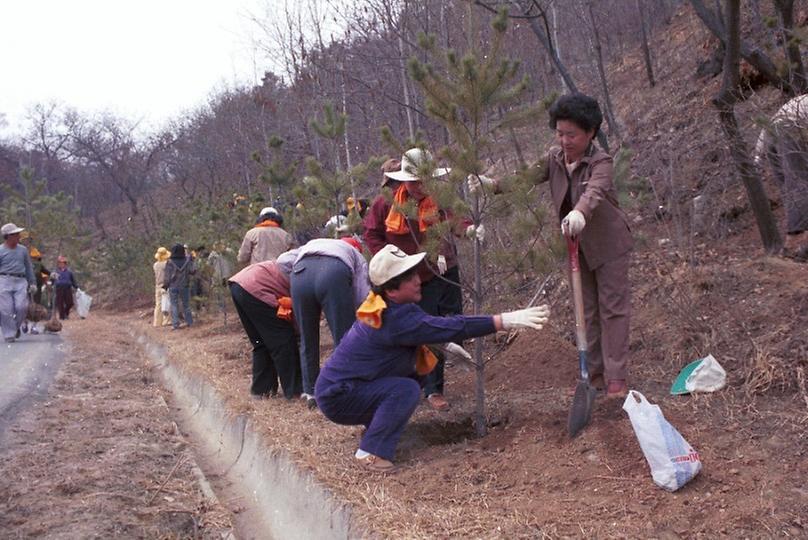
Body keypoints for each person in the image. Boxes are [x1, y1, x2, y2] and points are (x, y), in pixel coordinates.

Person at [314, 244, 550, 471]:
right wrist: (503, 321)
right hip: (338, 397)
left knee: (415, 375)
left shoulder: (387, 306)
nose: (418, 280)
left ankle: (376, 429)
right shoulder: (394, 318)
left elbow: (421, 330)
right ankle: (370, 453)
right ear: (392, 289)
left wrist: (444, 345)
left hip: (344, 388)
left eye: (416, 274)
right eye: (410, 278)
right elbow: (451, 325)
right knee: (404, 390)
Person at [470, 93, 633, 398]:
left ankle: (616, 378)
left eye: (571, 134)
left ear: (590, 132)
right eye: (560, 133)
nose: (564, 140)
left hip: (609, 245)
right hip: (577, 246)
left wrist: (579, 213)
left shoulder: (602, 162)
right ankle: (593, 376)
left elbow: (594, 192)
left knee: (612, 310)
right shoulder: (554, 158)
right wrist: (491, 185)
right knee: (586, 313)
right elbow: (525, 178)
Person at [363, 150, 468, 411]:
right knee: (425, 328)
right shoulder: (387, 203)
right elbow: (372, 234)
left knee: (449, 320)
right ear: (403, 181)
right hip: (412, 276)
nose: (420, 187)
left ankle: (446, 371)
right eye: (413, 182)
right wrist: (390, 259)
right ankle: (426, 387)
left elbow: (453, 220)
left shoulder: (439, 198)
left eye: (424, 181)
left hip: (444, 268)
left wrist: (468, 230)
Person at [279, 237, 370, 409]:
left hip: (300, 274)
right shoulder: (355, 255)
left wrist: (296, 279)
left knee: (307, 338)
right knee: (345, 338)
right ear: (357, 248)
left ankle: (311, 392)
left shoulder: (311, 245)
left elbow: (282, 261)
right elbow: (362, 294)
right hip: (333, 273)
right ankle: (342, 388)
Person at [229, 259, 302, 399]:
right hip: (256, 286)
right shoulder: (308, 272)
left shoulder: (300, 260)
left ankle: (262, 390)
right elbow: (300, 317)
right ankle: (295, 390)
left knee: (261, 341)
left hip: (239, 284)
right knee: (283, 340)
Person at [754, 93, 808, 259]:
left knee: (788, 187)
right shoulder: (802, 107)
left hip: (771, 133)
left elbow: (770, 124)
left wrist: (758, 156)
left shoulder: (798, 102)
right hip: (789, 130)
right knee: (799, 182)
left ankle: (791, 243)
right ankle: (797, 242)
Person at [0, 223, 36, 342]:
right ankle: (9, 334)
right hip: (4, 280)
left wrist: (33, 283)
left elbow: (28, 266)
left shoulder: (23, 250)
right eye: (15, 234)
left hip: (20, 281)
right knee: (6, 309)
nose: (18, 236)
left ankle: (14, 328)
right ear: (8, 236)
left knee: (22, 307)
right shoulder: (1, 250)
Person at [163, 244, 196, 329]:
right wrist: (192, 260)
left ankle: (175, 324)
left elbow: (167, 275)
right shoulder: (187, 260)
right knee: (186, 305)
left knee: (174, 305)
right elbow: (192, 271)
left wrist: (165, 285)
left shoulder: (170, 262)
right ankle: (190, 322)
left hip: (173, 286)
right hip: (185, 285)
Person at [51, 255, 79, 320]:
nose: (61, 264)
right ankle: (62, 317)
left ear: (65, 263)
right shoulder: (55, 271)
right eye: (60, 262)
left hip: (67, 288)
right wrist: (51, 285)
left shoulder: (69, 272)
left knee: (70, 303)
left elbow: (73, 280)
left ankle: (66, 313)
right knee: (60, 303)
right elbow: (52, 280)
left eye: (63, 262)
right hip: (59, 289)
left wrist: (77, 287)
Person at [153, 246, 171, 327]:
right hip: (165, 285)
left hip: (157, 286)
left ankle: (157, 322)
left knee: (158, 305)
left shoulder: (155, 265)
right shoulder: (166, 264)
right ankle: (166, 321)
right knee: (167, 303)